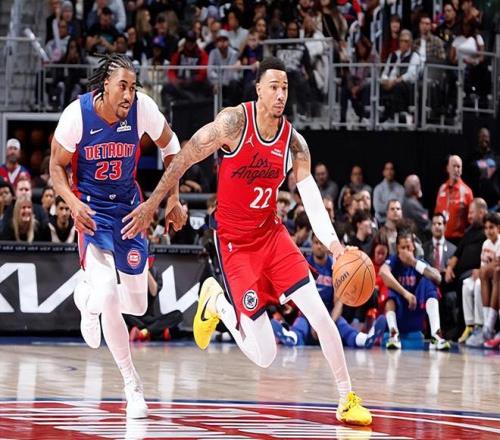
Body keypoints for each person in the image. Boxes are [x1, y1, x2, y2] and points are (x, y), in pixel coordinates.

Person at [121, 57, 372, 426]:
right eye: (273, 87)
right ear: (258, 89)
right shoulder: (234, 123)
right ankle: (217, 304)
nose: (280, 94)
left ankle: (346, 398)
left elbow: (311, 197)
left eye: (285, 88)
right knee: (265, 355)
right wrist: (158, 202)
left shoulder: (294, 143)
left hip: (272, 236)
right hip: (235, 244)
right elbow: (185, 157)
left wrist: (335, 247)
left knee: (319, 314)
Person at [49, 53, 186, 419]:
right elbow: (56, 166)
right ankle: (131, 385)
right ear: (104, 86)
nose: (129, 94)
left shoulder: (142, 109)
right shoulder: (77, 116)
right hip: (92, 211)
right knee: (109, 291)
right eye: (122, 86)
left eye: (133, 87)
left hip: (129, 210)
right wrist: (72, 202)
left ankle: (85, 299)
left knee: (137, 307)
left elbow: (173, 147)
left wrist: (172, 198)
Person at [271, 234, 386, 348]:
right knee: (301, 323)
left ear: (326, 246)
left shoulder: (335, 267)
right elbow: (303, 299)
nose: (318, 246)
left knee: (342, 324)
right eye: (316, 243)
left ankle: (363, 340)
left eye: (321, 243)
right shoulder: (305, 264)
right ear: (312, 245)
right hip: (309, 313)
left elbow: (338, 302)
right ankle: (291, 337)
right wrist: (316, 323)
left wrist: (327, 324)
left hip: (329, 313)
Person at [379, 230, 451, 350]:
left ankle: (436, 335)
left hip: (415, 313)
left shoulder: (418, 263)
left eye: (408, 247)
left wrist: (413, 262)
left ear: (413, 247)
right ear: (397, 249)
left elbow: (438, 278)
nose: (406, 251)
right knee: (388, 287)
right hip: (399, 312)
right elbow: (383, 272)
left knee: (429, 283)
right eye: (403, 248)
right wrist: (405, 293)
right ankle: (393, 334)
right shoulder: (394, 261)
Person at [462, 212, 500, 347]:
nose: (488, 231)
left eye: (492, 227)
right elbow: (484, 268)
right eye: (486, 228)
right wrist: (481, 271)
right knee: (470, 284)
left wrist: (483, 271)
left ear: (498, 228)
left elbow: (496, 265)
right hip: (489, 278)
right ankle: (477, 325)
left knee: (492, 275)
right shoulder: (485, 244)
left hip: (496, 277)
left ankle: (488, 324)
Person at [423, 213, 457, 337]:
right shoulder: (423, 248)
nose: (437, 226)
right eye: (434, 224)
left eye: (440, 223)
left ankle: (447, 333)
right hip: (429, 287)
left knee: (450, 298)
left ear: (445, 226)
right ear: (431, 227)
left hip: (447, 287)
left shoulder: (454, 249)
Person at [435, 155, 473, 245]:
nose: (456, 169)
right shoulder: (442, 188)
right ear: (448, 168)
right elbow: (436, 213)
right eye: (454, 166)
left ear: (461, 170)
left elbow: (471, 220)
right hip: (441, 238)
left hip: (458, 240)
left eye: (458, 167)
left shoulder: (467, 192)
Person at [402, 174, 431, 240]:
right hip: (418, 239)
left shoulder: (405, 202)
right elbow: (426, 224)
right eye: (418, 184)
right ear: (414, 187)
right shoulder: (412, 205)